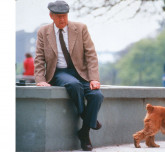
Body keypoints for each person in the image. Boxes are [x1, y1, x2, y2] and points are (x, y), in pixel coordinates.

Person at [34, 1, 104, 151]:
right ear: (51, 16)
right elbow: (39, 58)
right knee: (73, 85)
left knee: (97, 95)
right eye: (58, 17)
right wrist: (40, 80)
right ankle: (89, 118)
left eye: (64, 16)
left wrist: (94, 78)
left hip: (81, 72)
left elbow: (91, 54)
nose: (62, 20)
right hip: (59, 72)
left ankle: (84, 132)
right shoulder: (43, 32)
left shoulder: (80, 28)